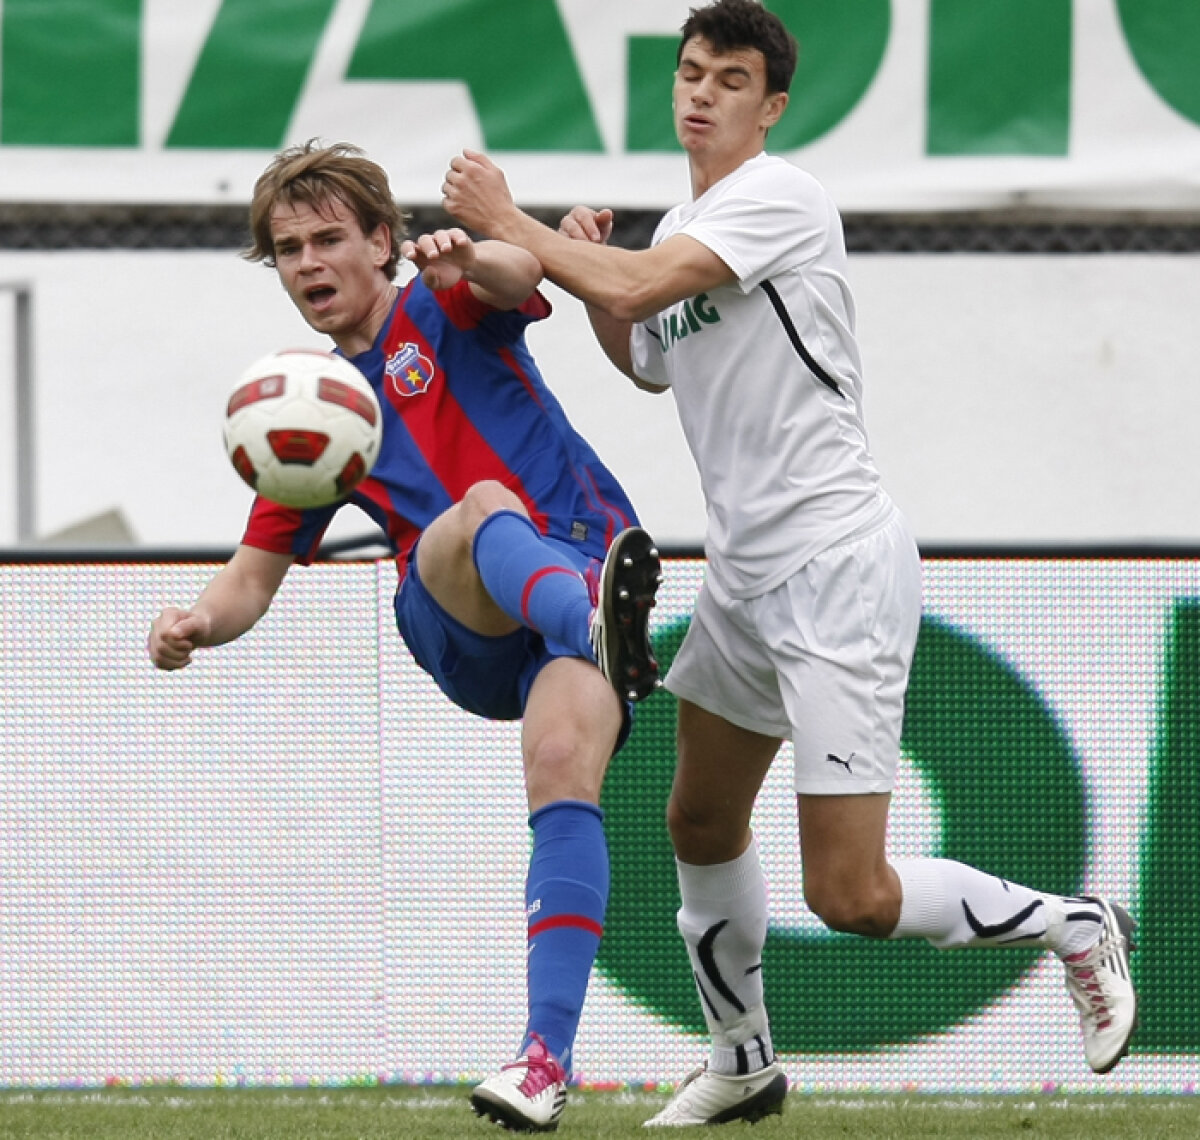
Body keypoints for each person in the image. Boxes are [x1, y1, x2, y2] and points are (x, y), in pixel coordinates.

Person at [439, 0, 1139, 1126]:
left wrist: (516, 222)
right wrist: (586, 266)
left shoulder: (782, 197)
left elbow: (633, 288)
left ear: (769, 108)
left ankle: (1077, 927)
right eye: (689, 71)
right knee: (698, 822)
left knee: (850, 892)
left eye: (728, 78)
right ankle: (743, 1061)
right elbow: (644, 356)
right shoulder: (685, 224)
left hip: (836, 568)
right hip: (748, 579)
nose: (700, 91)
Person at [147, 139, 663, 1133]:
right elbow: (251, 578)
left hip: (583, 566)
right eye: (289, 248)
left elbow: (521, 271)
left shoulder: (443, 297)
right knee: (473, 509)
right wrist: (196, 625)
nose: (308, 263)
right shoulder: (312, 410)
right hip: (466, 612)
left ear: (382, 241)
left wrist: (470, 258)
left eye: (329, 238)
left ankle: (544, 1059)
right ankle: (596, 630)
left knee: (561, 764)